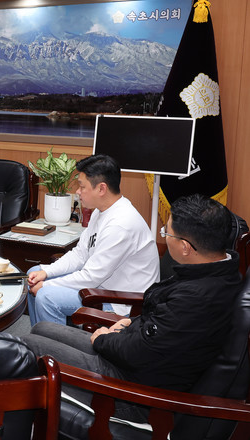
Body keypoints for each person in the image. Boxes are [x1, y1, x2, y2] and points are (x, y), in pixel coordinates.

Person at [22, 194, 243, 421]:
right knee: (41, 329)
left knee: (25, 348)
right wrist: (128, 323)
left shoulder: (196, 297)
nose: (165, 237)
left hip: (130, 393)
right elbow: (162, 323)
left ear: (185, 247)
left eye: (167, 233)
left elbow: (140, 352)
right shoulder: (216, 271)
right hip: (134, 360)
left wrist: (103, 340)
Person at [27, 154, 159, 326]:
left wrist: (46, 285)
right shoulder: (100, 211)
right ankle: (38, 338)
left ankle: (53, 342)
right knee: (34, 273)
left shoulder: (121, 224)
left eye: (82, 187)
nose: (77, 191)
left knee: (46, 296)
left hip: (122, 302)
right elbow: (80, 254)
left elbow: (91, 277)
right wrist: (46, 272)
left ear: (101, 189)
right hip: (101, 286)